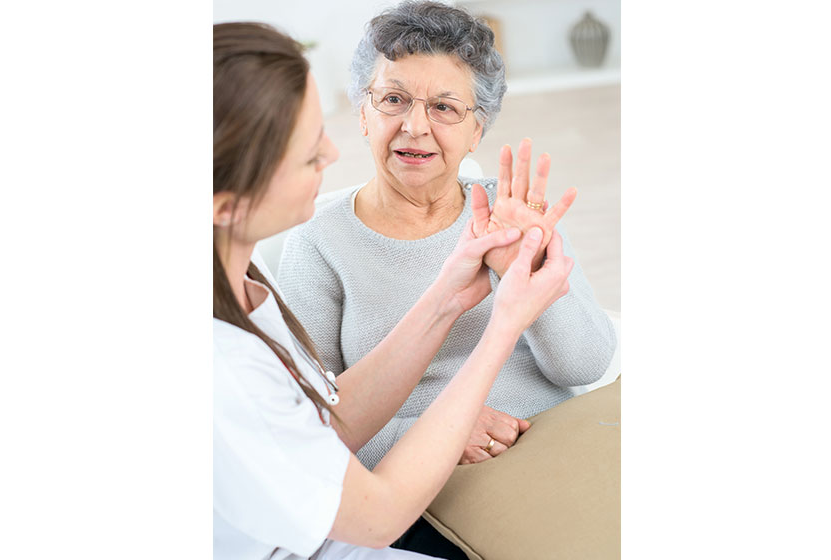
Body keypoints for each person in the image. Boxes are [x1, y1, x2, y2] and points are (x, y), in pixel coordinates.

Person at [213, 21, 575, 560]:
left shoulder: (237, 278)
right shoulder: (225, 370)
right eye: (308, 153)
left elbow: (325, 421)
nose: (331, 155)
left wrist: (450, 294)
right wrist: (504, 325)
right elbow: (377, 517)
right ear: (224, 204)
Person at [278, 0, 616, 471]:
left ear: (477, 130)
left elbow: (585, 365)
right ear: (363, 114)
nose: (415, 127)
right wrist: (435, 434)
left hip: (559, 445)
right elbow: (307, 422)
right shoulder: (319, 243)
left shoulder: (513, 211)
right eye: (393, 100)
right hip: (427, 476)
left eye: (444, 107)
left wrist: (528, 269)